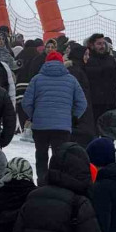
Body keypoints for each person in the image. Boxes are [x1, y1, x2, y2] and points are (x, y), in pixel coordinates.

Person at [21, 51, 87, 185]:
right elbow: (82, 103)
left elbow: (26, 102)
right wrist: (73, 117)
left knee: (41, 155)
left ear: (46, 62)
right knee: (60, 156)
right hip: (62, 127)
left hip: (40, 126)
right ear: (62, 63)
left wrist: (34, 115)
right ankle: (56, 183)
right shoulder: (71, 80)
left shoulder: (37, 79)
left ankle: (42, 181)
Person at [65, 44, 97, 147]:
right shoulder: (76, 71)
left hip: (81, 116)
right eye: (86, 54)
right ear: (79, 55)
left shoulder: (79, 69)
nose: (88, 57)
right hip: (80, 118)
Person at [85, 33, 116, 121]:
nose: (102, 46)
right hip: (94, 104)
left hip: (110, 103)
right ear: (92, 45)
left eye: (103, 43)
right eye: (99, 44)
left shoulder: (111, 60)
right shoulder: (87, 60)